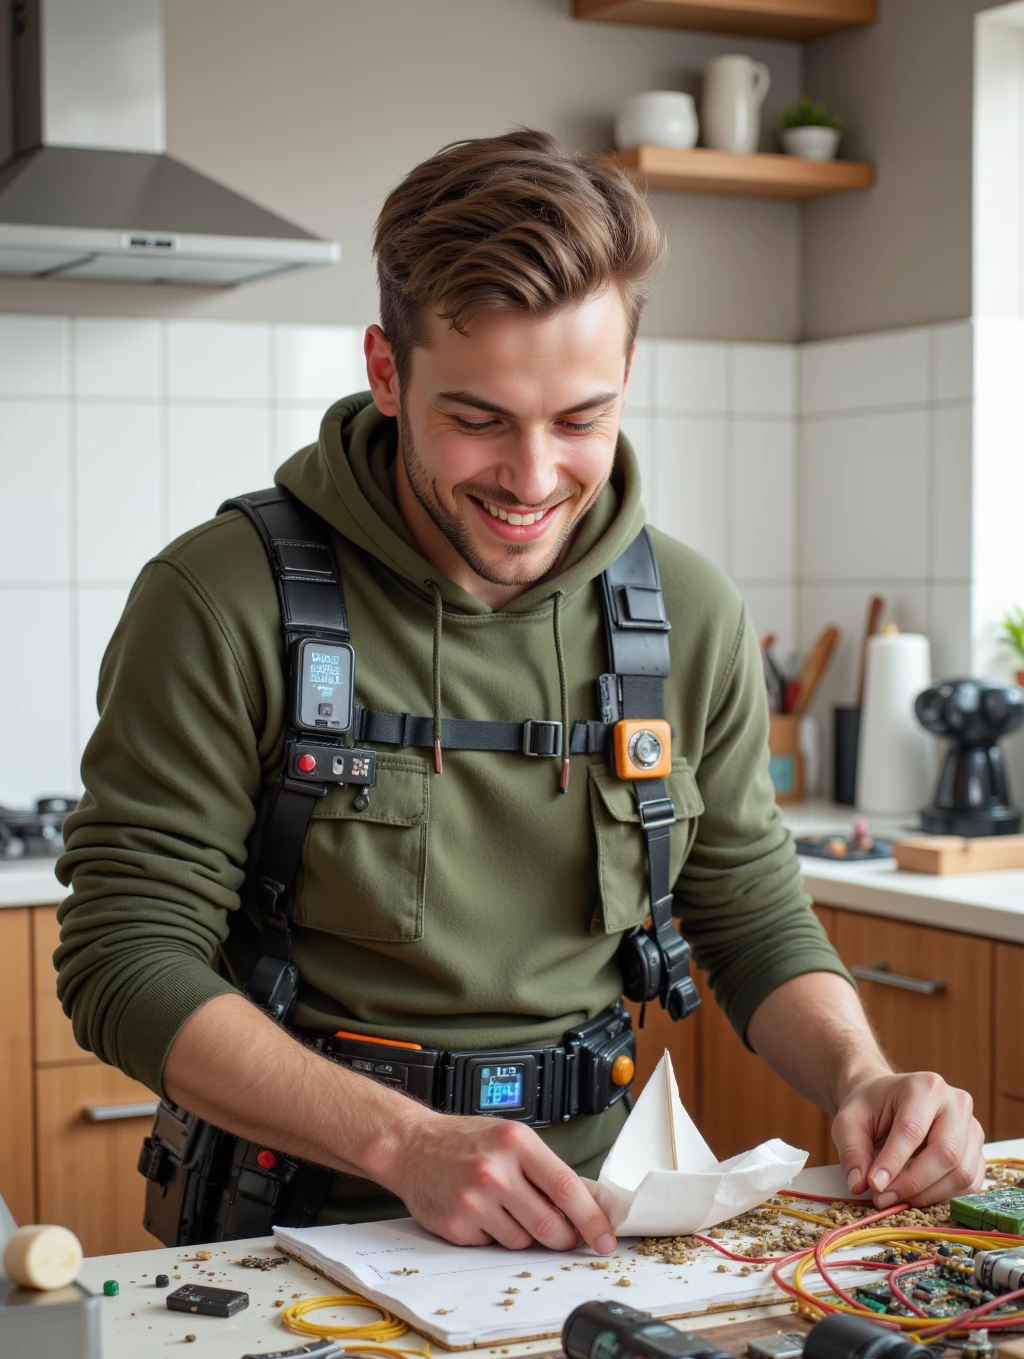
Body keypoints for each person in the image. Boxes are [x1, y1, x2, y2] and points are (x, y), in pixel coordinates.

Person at [55, 130, 985, 1256]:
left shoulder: (688, 609)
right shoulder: (220, 596)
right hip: (288, 1237)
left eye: (582, 419)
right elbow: (124, 955)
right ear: (387, 374)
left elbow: (748, 913)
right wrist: (404, 1145)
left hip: (609, 1232)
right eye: (480, 418)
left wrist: (865, 1075)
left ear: (627, 379)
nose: (534, 481)